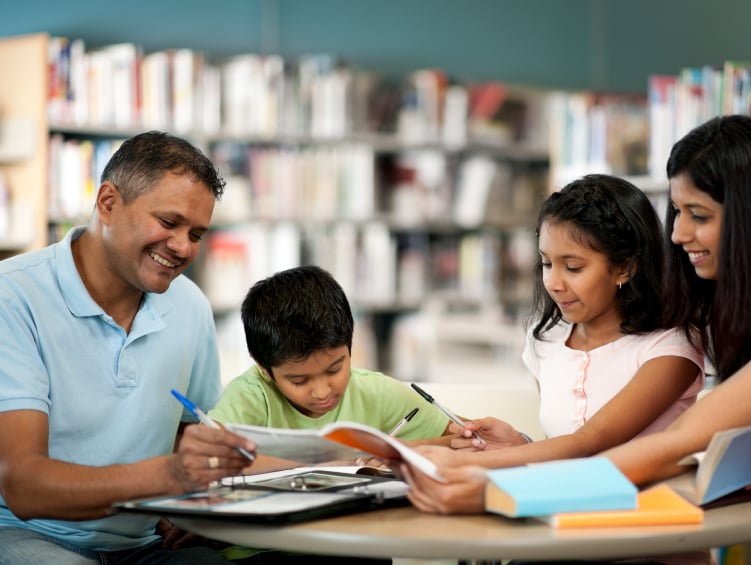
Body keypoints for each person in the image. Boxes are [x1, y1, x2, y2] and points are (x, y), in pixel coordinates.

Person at [406, 116, 751, 564]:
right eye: (678, 213)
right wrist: (515, 457)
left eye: (698, 215)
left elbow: (674, 443)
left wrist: (499, 489)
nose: (676, 234)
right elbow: (679, 458)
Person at [0, 131, 256, 564]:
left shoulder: (190, 306)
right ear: (107, 202)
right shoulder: (13, 296)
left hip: (144, 544)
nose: (182, 247)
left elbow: (189, 432)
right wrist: (168, 476)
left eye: (196, 233)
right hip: (30, 537)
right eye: (169, 222)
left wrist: (192, 505)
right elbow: (24, 486)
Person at [398, 174, 704, 509]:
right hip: (559, 517)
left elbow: (589, 442)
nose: (553, 283)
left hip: (643, 531)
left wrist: (468, 464)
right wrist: (519, 444)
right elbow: (562, 451)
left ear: (625, 268)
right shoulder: (546, 341)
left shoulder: (670, 348)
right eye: (546, 263)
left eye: (573, 267)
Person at [207, 265, 454, 563]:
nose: (323, 392)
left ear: (351, 345)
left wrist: (398, 453)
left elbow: (456, 440)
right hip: (263, 550)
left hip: (350, 546)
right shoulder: (250, 395)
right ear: (264, 369)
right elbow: (210, 464)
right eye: (299, 381)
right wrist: (327, 464)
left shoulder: (376, 392)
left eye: (335, 368)